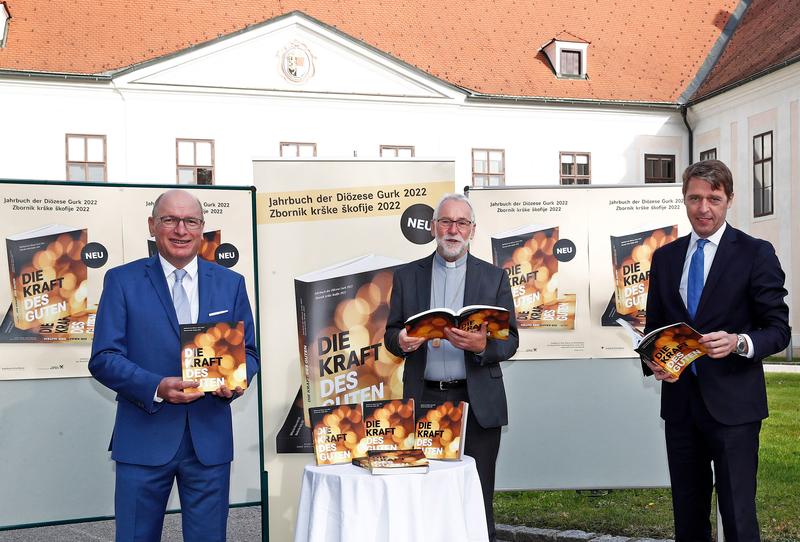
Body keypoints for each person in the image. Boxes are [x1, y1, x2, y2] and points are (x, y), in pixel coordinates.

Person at [89, 189, 259, 542]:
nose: (181, 230)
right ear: (153, 226)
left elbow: (250, 353)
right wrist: (156, 386)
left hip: (208, 439)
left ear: (202, 228)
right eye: (170, 220)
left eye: (190, 221)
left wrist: (236, 381)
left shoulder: (231, 284)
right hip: (143, 436)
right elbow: (104, 358)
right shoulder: (122, 281)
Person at [643, 160, 790, 542]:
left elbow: (778, 330)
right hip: (680, 407)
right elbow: (654, 329)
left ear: (729, 201)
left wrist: (739, 342)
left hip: (734, 410)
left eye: (714, 198)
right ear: (684, 199)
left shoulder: (756, 253)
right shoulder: (666, 257)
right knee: (687, 518)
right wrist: (656, 362)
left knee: (739, 516)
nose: (703, 208)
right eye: (694, 198)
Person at [385, 193, 519, 542]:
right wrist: (401, 341)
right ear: (433, 227)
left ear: (472, 230)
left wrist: (483, 346)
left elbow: (511, 341)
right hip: (424, 401)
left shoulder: (494, 278)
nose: (453, 230)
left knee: (477, 495)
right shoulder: (406, 276)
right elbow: (389, 334)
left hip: (477, 405)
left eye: (461, 223)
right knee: (425, 495)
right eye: (446, 221)